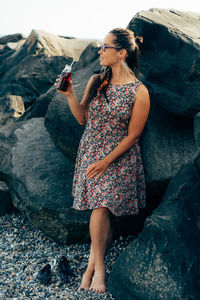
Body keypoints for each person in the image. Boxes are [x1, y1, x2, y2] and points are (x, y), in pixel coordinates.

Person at [55, 27, 150, 295]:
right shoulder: (97, 80)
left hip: (119, 156)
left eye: (105, 47)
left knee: (101, 207)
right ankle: (94, 264)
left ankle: (96, 268)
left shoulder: (139, 91)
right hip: (91, 151)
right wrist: (70, 94)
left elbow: (133, 136)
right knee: (101, 208)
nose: (100, 51)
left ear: (121, 53)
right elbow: (82, 119)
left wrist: (107, 162)